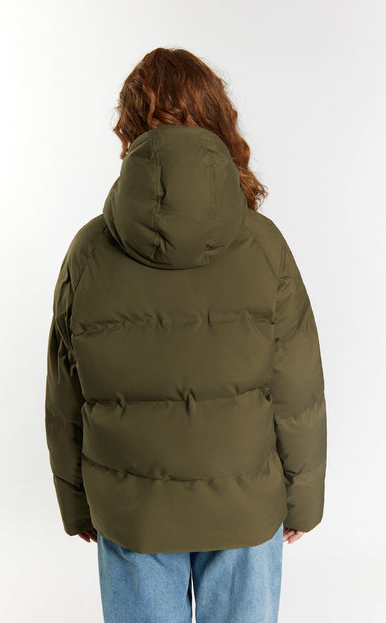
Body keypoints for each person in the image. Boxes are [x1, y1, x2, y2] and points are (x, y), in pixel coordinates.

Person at [45, 47, 327, 623]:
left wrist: (77, 503)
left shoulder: (89, 251)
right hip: (245, 507)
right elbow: (297, 387)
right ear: (217, 116)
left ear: (129, 127)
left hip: (134, 511)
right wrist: (302, 499)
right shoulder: (264, 245)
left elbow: (65, 395)